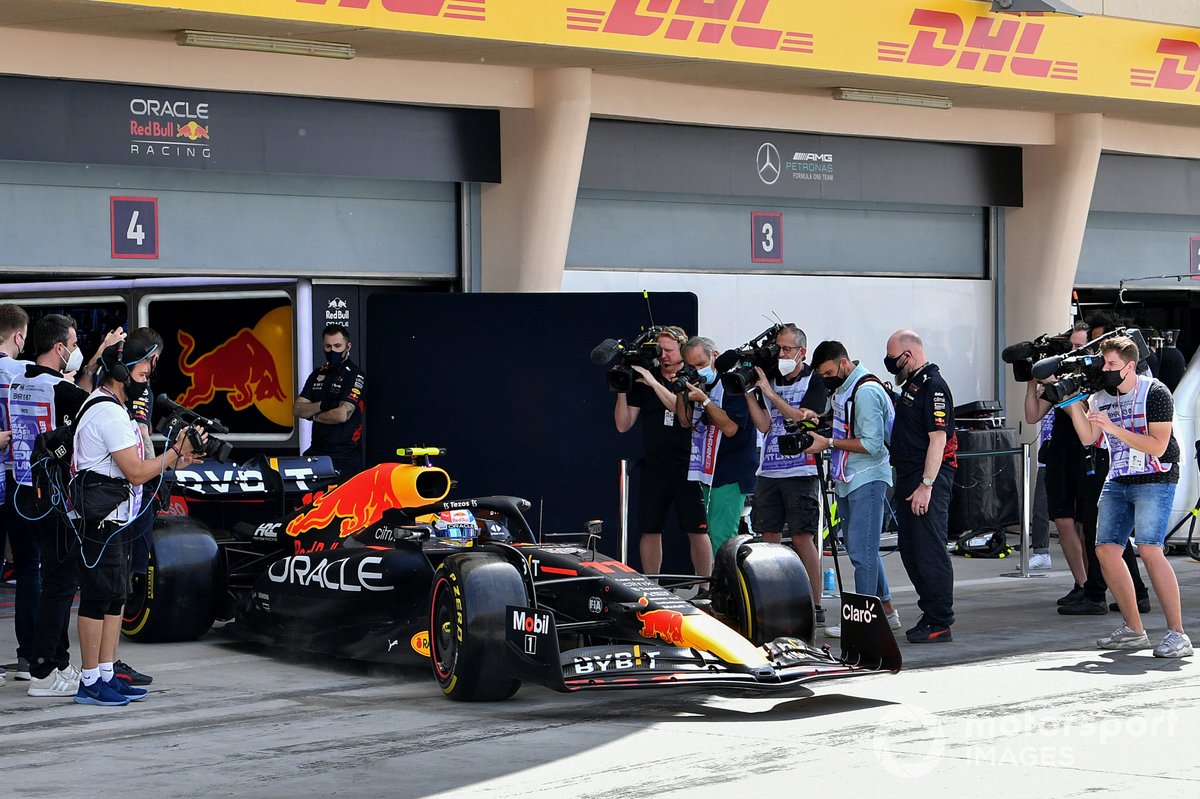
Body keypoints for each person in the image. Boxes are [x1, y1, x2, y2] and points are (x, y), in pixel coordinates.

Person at [71, 337, 203, 705]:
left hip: (114, 519)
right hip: (100, 521)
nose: (149, 372)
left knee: (115, 597)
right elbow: (135, 472)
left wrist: (177, 458)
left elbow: (141, 468)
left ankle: (106, 674)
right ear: (120, 369)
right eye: (144, 364)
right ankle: (89, 681)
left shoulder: (116, 407)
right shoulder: (109, 412)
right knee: (97, 600)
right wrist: (174, 453)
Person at [1064, 335, 1191, 657]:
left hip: (1156, 475)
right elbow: (1090, 437)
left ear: (1130, 366)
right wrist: (1070, 406)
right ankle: (1134, 630)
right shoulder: (1098, 398)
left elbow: (1158, 446)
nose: (1105, 370)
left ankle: (1178, 634)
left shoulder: (1155, 391)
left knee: (1149, 549)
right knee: (1106, 551)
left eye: (1112, 365)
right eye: (1103, 364)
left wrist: (1113, 427)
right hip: (1119, 476)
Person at [12, 315, 89, 696]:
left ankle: (57, 662)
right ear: (59, 348)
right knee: (60, 583)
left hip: (22, 489)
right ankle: (44, 670)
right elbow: (99, 412)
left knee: (48, 578)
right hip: (55, 495)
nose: (74, 352)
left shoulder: (16, 381)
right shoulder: (62, 390)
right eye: (73, 345)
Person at [805, 341, 901, 638]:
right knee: (864, 550)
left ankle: (863, 623)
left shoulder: (867, 391)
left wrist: (828, 443)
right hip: (849, 478)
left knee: (862, 553)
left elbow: (872, 445)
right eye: (822, 375)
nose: (827, 379)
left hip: (867, 477)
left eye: (830, 372)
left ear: (844, 363)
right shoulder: (846, 388)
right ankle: (886, 612)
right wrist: (821, 423)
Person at [745, 324, 829, 624]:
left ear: (802, 352)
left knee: (802, 535)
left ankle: (815, 602)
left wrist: (770, 393)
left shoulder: (814, 380)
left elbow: (803, 417)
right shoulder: (771, 377)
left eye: (788, 349)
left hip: (801, 467)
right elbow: (765, 425)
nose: (781, 354)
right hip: (769, 467)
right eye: (779, 348)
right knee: (769, 536)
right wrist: (750, 394)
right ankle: (774, 598)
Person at [614, 326, 711, 578]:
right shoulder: (647, 379)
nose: (664, 356)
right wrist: (622, 389)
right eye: (660, 350)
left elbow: (680, 413)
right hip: (656, 463)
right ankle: (653, 583)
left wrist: (654, 382)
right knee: (650, 527)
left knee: (697, 528)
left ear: (682, 349)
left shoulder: (691, 376)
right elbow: (623, 424)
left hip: (688, 462)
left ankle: (705, 586)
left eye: (669, 350)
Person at [884, 329, 957, 643]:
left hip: (928, 478)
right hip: (908, 475)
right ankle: (931, 612)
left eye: (893, 360)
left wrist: (927, 485)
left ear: (908, 355)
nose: (891, 365)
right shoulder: (914, 384)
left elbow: (938, 439)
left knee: (928, 548)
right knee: (910, 549)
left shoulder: (934, 386)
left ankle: (940, 619)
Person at [1024, 325, 1091, 598]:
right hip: (1059, 454)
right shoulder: (1061, 374)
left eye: (1079, 347)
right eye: (1070, 346)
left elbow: (1086, 412)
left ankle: (1095, 584)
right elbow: (1032, 415)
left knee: (1087, 525)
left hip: (1087, 453)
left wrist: (1057, 386)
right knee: (1063, 520)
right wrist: (1032, 380)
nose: (1073, 352)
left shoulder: (1096, 376)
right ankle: (1082, 583)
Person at [676, 337, 757, 556]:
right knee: (714, 532)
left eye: (701, 364)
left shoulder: (731, 384)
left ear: (715, 356)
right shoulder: (700, 385)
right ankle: (721, 585)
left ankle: (730, 588)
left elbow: (730, 428)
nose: (698, 371)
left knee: (723, 537)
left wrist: (705, 400)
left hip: (731, 471)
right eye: (691, 366)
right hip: (707, 470)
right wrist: (681, 389)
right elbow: (684, 421)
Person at [0, 302, 31, 685]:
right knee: (29, 571)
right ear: (19, 335)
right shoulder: (24, 373)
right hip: (21, 484)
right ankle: (30, 659)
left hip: (10, 484)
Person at [294, 324, 366, 479]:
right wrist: (322, 405)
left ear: (348, 346)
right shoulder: (318, 373)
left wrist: (313, 415)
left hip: (344, 455)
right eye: (328, 346)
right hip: (316, 451)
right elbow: (298, 409)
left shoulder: (355, 375)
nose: (333, 350)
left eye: (337, 346)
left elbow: (341, 415)